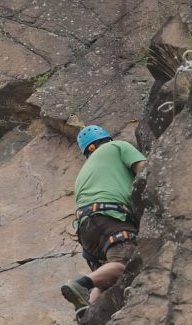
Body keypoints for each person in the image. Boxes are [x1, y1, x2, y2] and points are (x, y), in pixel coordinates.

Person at [60, 125, 147, 310]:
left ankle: (89, 315)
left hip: (87, 231)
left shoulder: (83, 174)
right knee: (124, 264)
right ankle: (82, 284)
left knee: (107, 279)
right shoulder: (117, 147)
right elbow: (146, 172)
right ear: (107, 139)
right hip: (110, 217)